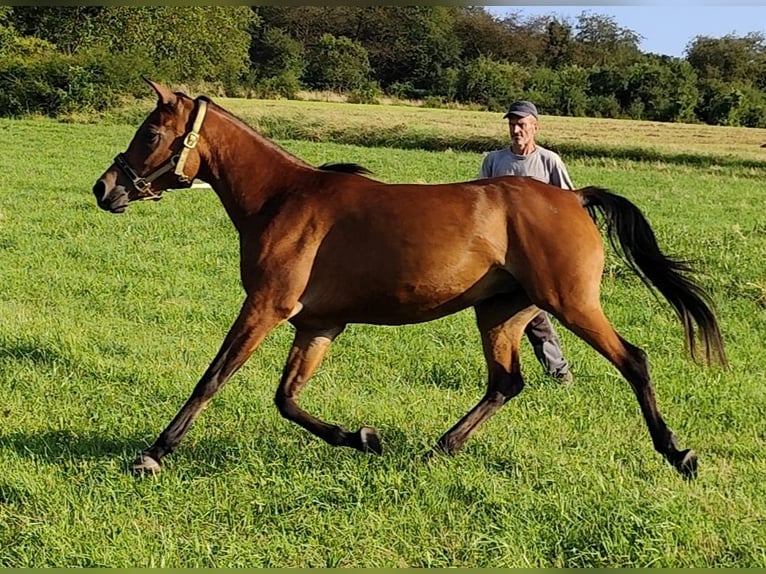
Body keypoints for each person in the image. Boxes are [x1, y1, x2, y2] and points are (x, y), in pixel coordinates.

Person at [478, 100, 575, 384]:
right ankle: (551, 372)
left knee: (532, 314)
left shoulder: (549, 161)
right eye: (512, 124)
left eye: (521, 124)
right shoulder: (495, 161)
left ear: (535, 126)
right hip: (498, 256)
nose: (516, 130)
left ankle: (557, 372)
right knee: (522, 314)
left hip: (535, 256)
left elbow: (569, 206)